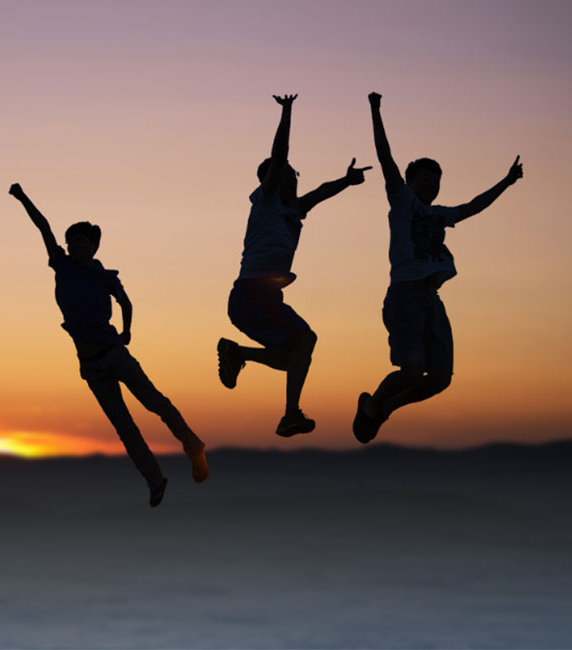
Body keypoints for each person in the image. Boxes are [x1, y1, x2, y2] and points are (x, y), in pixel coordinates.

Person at [8, 183, 208, 507]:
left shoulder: (105, 277)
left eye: (81, 241)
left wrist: (127, 332)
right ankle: (155, 480)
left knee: (155, 402)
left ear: (93, 246)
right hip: (90, 365)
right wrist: (22, 198)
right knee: (124, 427)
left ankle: (192, 445)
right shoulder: (62, 266)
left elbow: (126, 302)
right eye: (71, 241)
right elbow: (43, 227)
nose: (75, 246)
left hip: (115, 354)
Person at [353, 91, 524, 443]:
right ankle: (371, 406)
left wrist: (507, 182)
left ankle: (383, 410)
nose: (432, 185)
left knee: (440, 378)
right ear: (410, 181)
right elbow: (385, 158)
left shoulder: (439, 214)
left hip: (432, 298)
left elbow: (474, 206)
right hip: (405, 295)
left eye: (436, 181)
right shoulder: (403, 201)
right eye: (425, 179)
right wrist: (375, 110)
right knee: (411, 371)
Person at [218, 94, 371, 437]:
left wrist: (347, 181)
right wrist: (287, 112)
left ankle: (238, 353)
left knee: (294, 358)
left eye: (294, 175)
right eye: (287, 174)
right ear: (271, 180)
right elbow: (280, 154)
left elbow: (320, 192)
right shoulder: (266, 201)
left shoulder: (293, 210)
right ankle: (290, 414)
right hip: (251, 294)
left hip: (263, 297)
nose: (294, 179)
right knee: (306, 339)